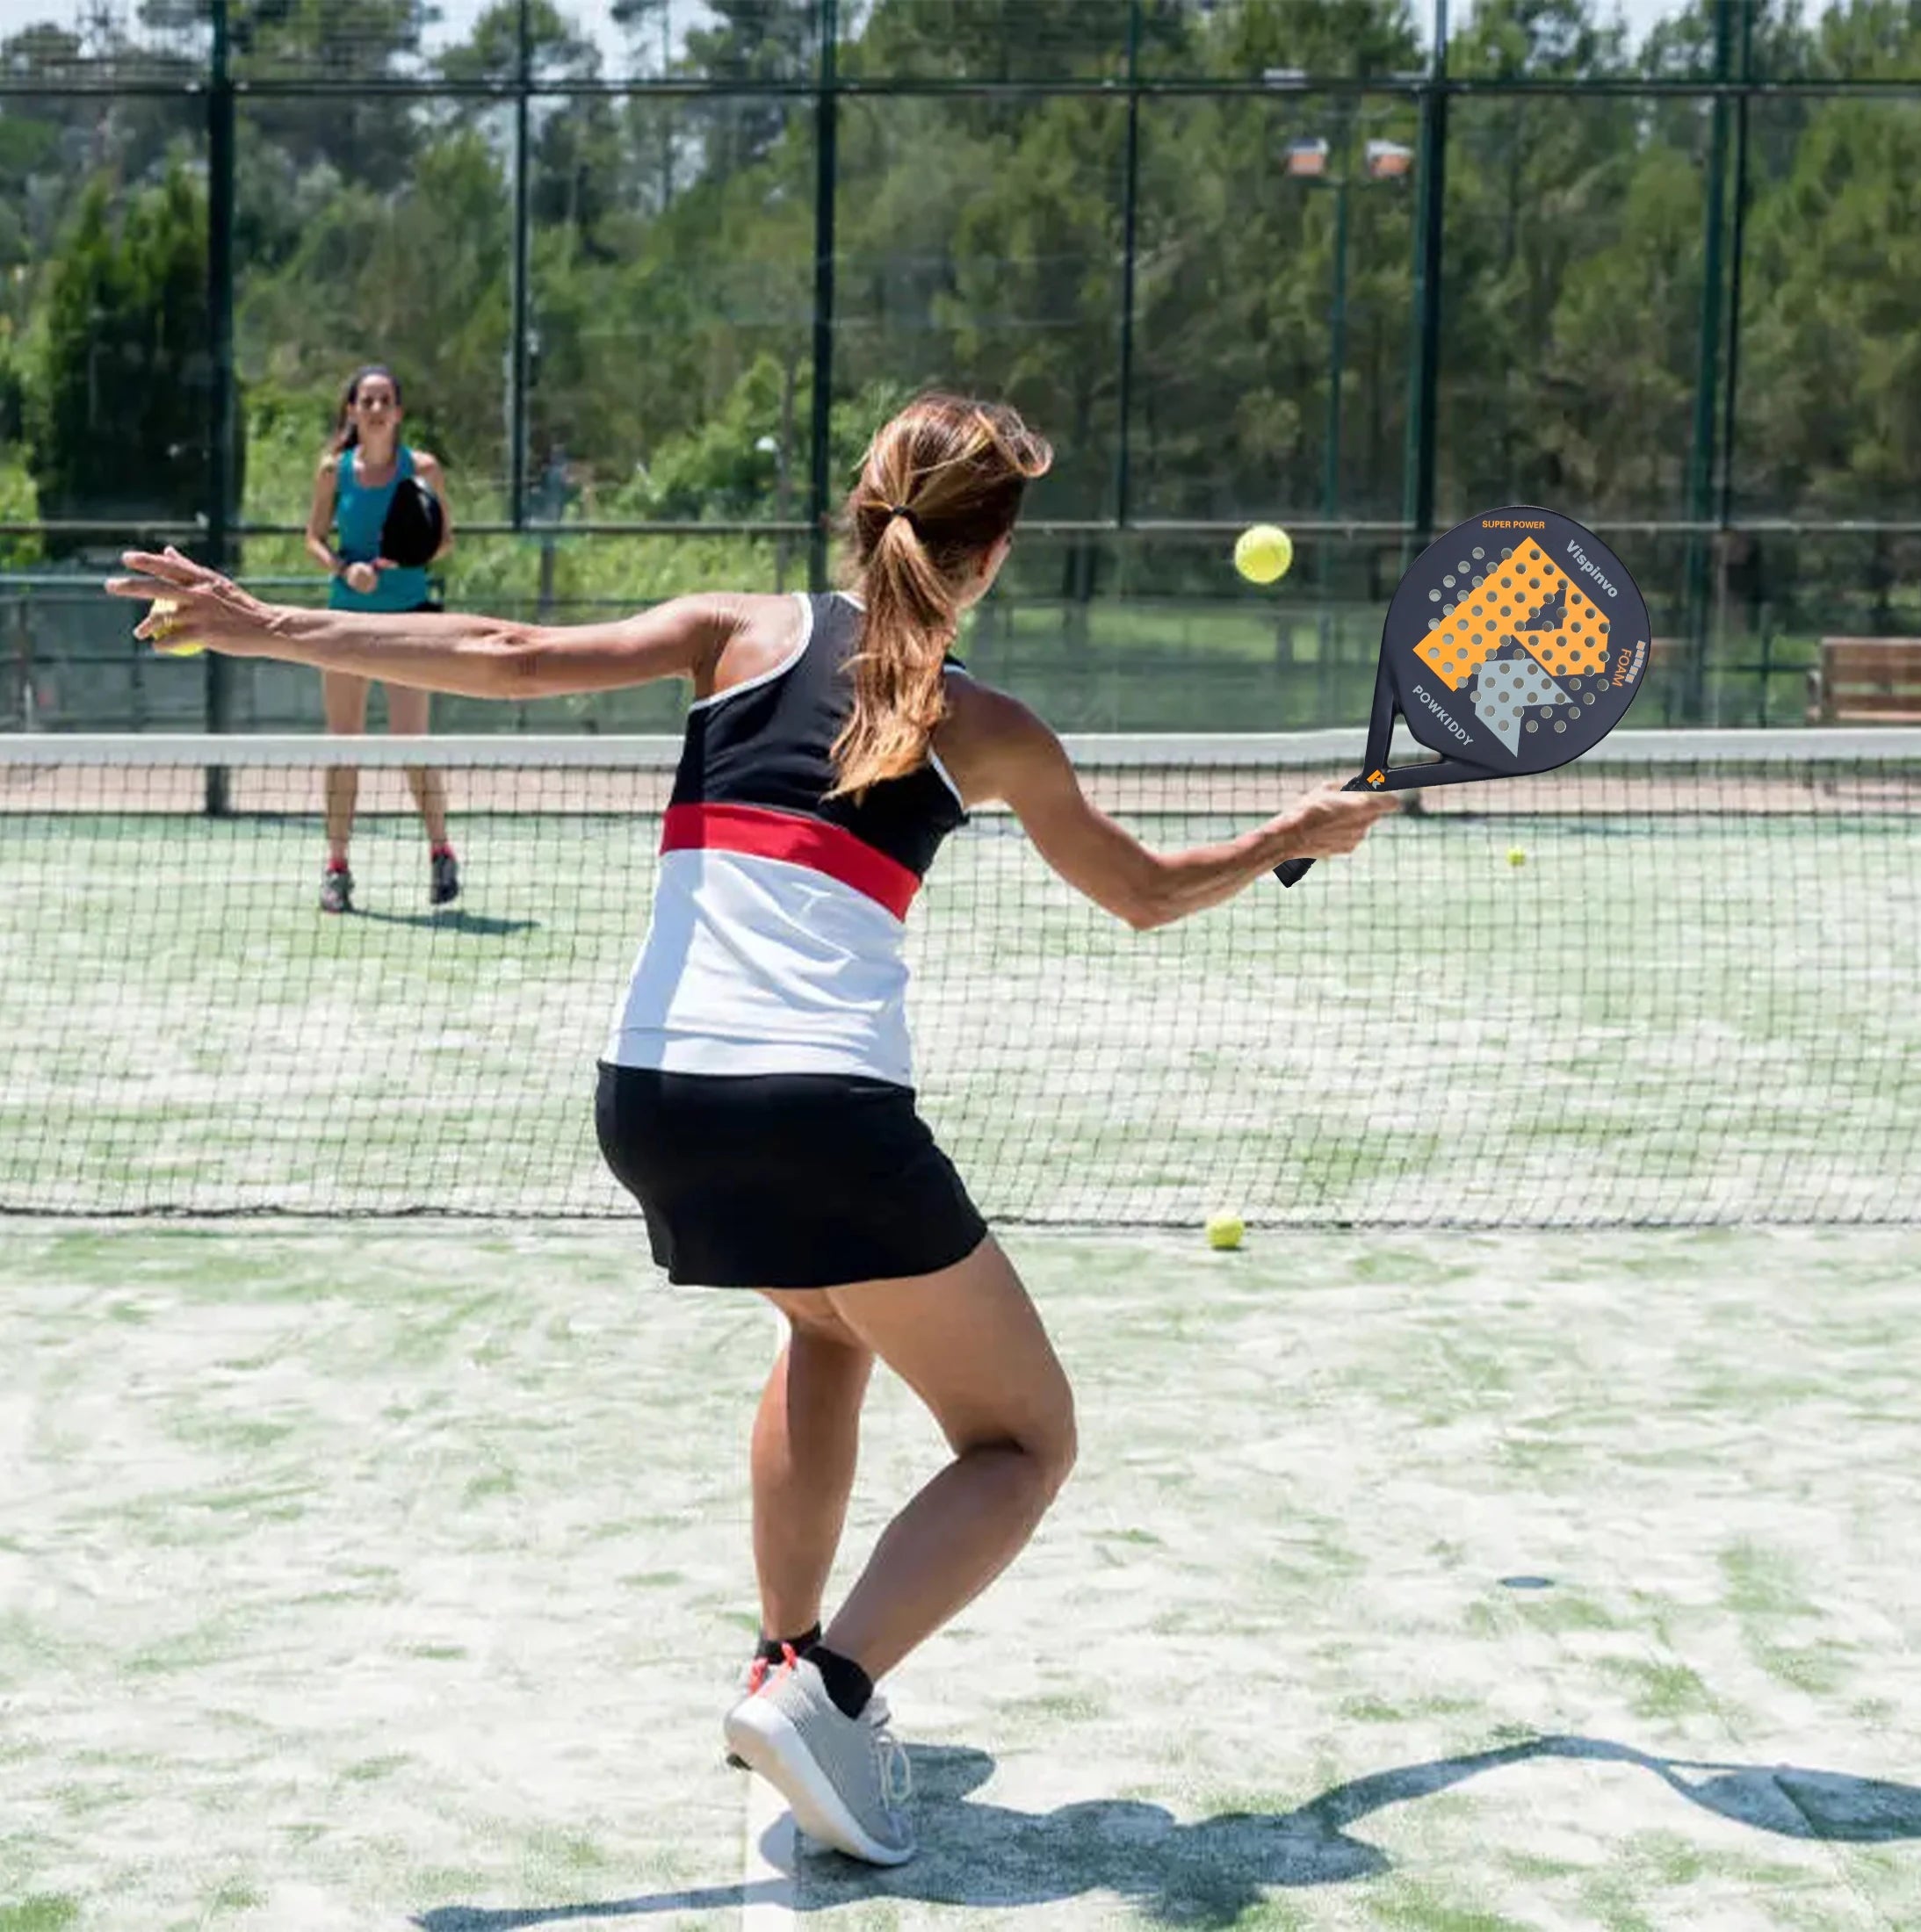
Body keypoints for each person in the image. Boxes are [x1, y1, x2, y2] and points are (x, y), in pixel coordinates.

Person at [109, 393, 1397, 1867]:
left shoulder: (740, 629)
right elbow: (1150, 895)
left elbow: (507, 653)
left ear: (861, 514)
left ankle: (778, 1655)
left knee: (828, 1326)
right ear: (988, 560)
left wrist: (263, 623)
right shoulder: (988, 728)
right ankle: (833, 1689)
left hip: (651, 1099)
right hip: (818, 1112)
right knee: (1025, 1438)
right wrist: (1285, 839)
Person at [303, 363, 459, 914]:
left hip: (409, 622)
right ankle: (337, 867)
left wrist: (403, 557)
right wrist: (347, 570)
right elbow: (315, 539)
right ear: (352, 411)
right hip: (346, 622)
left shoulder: (423, 470)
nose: (374, 410)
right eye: (365, 401)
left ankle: (441, 852)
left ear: (398, 412)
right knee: (342, 745)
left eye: (384, 401)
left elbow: (443, 542)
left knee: (410, 743)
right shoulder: (332, 472)